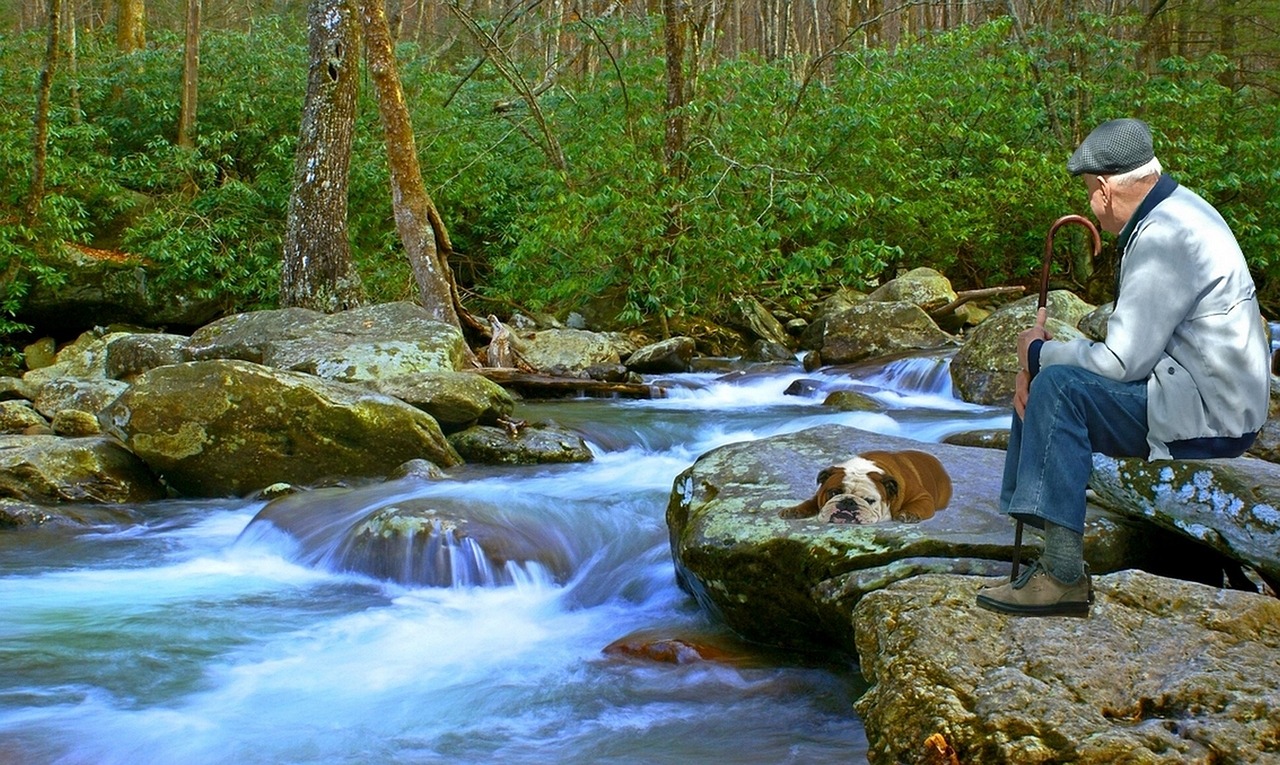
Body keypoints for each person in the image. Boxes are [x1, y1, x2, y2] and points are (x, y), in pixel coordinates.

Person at [976, 118, 1271, 617]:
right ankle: (1048, 553)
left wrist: (1035, 354)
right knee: (1054, 381)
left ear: (1108, 189)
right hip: (1210, 392)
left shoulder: (1163, 237)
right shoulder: (1180, 210)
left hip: (1211, 412)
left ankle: (1061, 575)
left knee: (1060, 389)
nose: (1089, 201)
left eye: (1090, 189)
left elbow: (1119, 363)